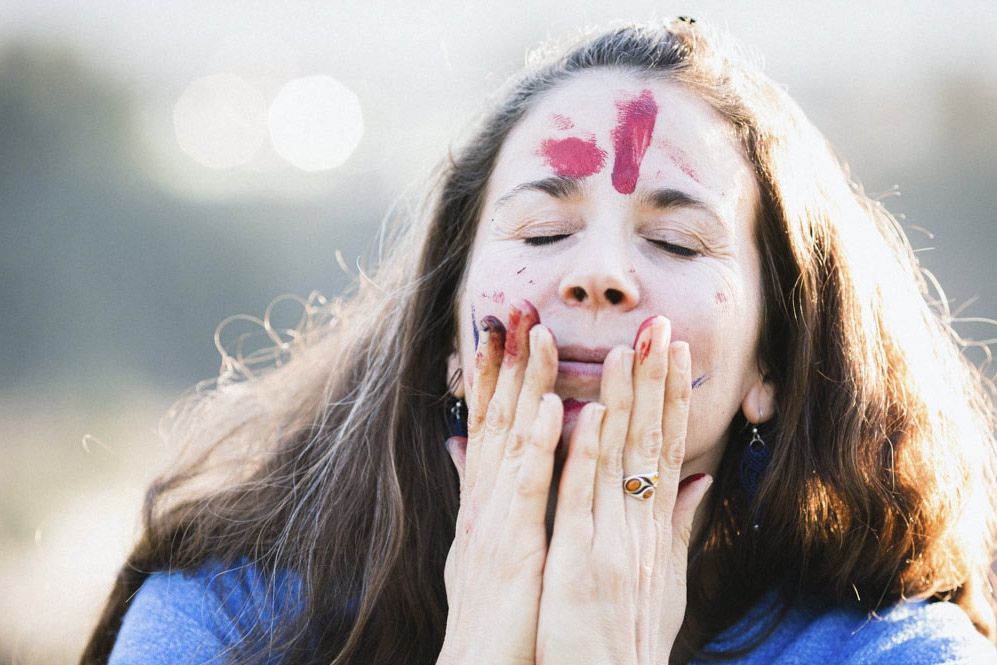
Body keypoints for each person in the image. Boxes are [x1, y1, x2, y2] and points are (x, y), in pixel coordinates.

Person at [81, 17, 997, 665]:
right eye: (542, 232)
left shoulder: (892, 651)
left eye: (674, 241)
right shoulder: (219, 624)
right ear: (444, 335)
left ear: (771, 361)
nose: (597, 273)